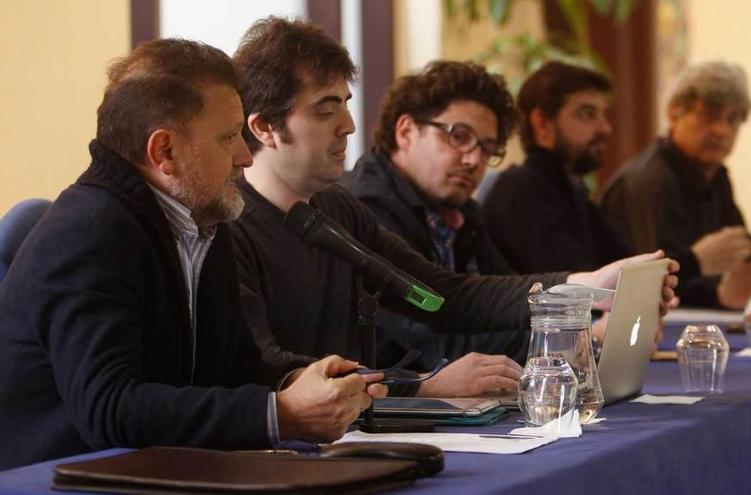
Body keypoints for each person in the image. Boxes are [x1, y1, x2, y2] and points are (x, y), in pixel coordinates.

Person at [229, 18, 679, 399]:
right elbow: (269, 370)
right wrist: (421, 385)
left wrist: (583, 285)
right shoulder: (229, 225)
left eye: (345, 106)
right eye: (326, 111)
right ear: (266, 126)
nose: (348, 125)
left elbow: (446, 297)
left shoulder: (337, 210)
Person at [0, 39, 383, 470]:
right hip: (55, 478)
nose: (243, 156)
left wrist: (301, 380)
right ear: (164, 152)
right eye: (227, 138)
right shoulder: (88, 232)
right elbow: (110, 409)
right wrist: (283, 414)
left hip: (157, 470)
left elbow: (232, 369)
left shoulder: (202, 217)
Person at [341, 60, 530, 371]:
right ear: (406, 132)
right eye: (459, 136)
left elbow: (503, 304)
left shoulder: (464, 214)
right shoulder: (364, 208)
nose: (473, 159)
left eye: (486, 149)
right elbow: (433, 345)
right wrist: (571, 338)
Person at [600, 61, 751, 309]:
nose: (722, 131)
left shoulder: (716, 176)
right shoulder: (650, 181)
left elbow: (747, 259)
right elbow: (657, 283)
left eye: (733, 120)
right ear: (674, 112)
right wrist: (716, 281)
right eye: (710, 116)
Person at [481, 62, 633, 275]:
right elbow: (577, 287)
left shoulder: (573, 190)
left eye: (602, 115)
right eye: (587, 114)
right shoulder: (520, 192)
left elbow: (628, 266)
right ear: (542, 123)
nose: (605, 128)